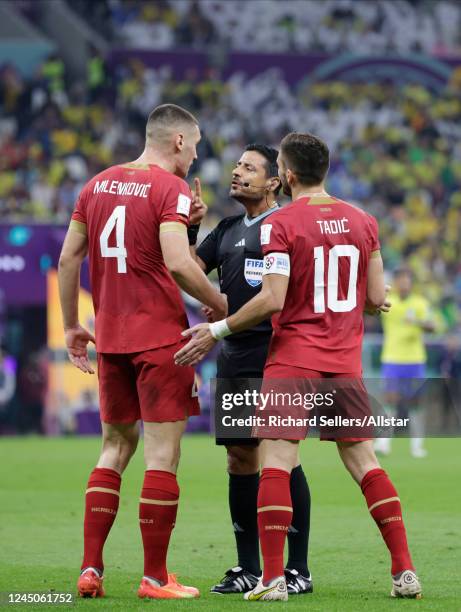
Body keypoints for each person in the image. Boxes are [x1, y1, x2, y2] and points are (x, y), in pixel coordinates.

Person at [175, 132, 422, 601]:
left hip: (293, 359)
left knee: (277, 461)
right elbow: (374, 298)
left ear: (285, 175)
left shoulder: (281, 224)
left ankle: (272, 578)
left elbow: (273, 298)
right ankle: (404, 571)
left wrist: (219, 328)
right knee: (366, 464)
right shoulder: (364, 221)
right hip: (344, 363)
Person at [58, 103, 226, 600]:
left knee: (113, 449)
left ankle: (91, 569)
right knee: (161, 456)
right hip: (160, 343)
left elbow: (70, 257)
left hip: (109, 339)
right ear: (177, 141)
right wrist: (221, 305)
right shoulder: (168, 187)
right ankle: (155, 578)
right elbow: (176, 262)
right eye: (194, 147)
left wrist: (72, 325)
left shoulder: (97, 185)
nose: (195, 158)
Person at [190, 144, 312, 595]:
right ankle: (248, 567)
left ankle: (297, 569)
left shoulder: (286, 226)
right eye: (237, 166)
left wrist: (220, 318)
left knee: (283, 459)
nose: (237, 172)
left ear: (274, 181)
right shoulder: (225, 228)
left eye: (249, 167)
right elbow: (186, 268)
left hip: (279, 352)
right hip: (236, 354)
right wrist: (190, 225)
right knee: (240, 458)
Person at [376, 267, 435, 458]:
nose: (404, 282)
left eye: (406, 279)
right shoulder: (388, 300)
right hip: (392, 358)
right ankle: (384, 443)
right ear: (395, 282)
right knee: (390, 400)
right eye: (400, 279)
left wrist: (417, 322)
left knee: (415, 402)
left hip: (414, 359)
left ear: (410, 282)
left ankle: (417, 446)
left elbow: (432, 326)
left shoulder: (419, 303)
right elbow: (372, 308)